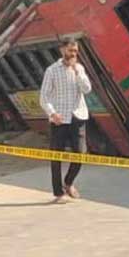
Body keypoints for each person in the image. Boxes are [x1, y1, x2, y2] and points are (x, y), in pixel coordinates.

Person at [39, 38, 93, 204]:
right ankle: (58, 192)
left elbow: (87, 89)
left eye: (75, 51)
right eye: (70, 50)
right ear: (62, 50)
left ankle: (68, 182)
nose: (73, 54)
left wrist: (77, 73)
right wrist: (52, 113)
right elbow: (44, 97)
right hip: (59, 119)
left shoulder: (79, 68)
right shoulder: (52, 71)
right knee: (56, 156)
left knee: (80, 154)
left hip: (78, 116)